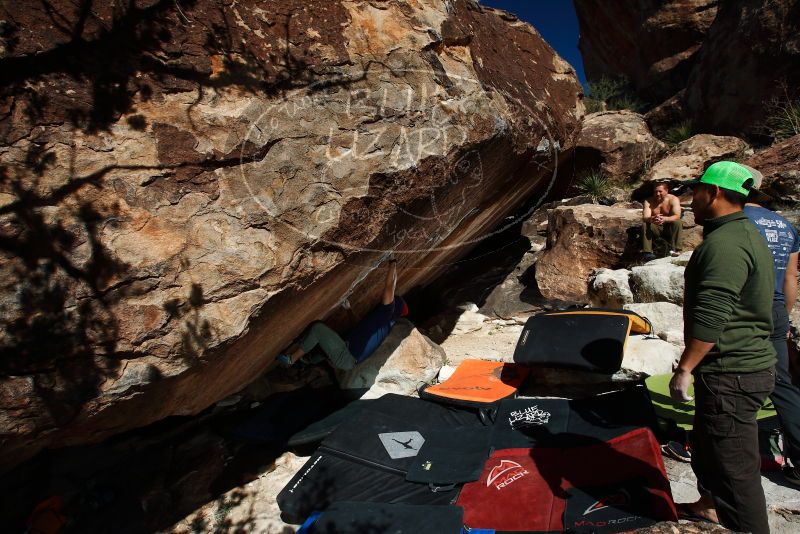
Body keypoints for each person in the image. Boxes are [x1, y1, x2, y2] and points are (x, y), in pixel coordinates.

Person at [669, 161, 776, 533]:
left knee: (735, 474)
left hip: (732, 373)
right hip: (739, 368)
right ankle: (710, 509)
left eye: (695, 190)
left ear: (712, 193)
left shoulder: (725, 245)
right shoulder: (741, 232)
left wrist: (685, 368)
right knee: (712, 454)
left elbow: (713, 314)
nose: (690, 198)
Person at [743, 164, 800, 486]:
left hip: (743, 312)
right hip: (777, 309)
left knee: (728, 382)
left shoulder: (735, 222)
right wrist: (783, 316)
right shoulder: (785, 226)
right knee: (783, 385)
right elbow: (791, 278)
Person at [277, 259, 408, 371]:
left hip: (346, 356)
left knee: (318, 329)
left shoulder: (386, 313)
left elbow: (390, 287)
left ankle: (292, 359)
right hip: (348, 354)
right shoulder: (383, 322)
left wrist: (393, 263)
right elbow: (359, 326)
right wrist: (349, 309)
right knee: (330, 340)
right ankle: (306, 362)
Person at [641, 181, 683, 261]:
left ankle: (676, 250)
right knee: (645, 224)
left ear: (666, 191)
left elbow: (677, 216)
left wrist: (664, 219)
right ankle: (647, 252)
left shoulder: (673, 199)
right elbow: (645, 217)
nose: (657, 194)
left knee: (678, 222)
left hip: (669, 227)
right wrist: (652, 219)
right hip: (656, 227)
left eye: (660, 191)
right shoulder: (648, 201)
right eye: (655, 191)